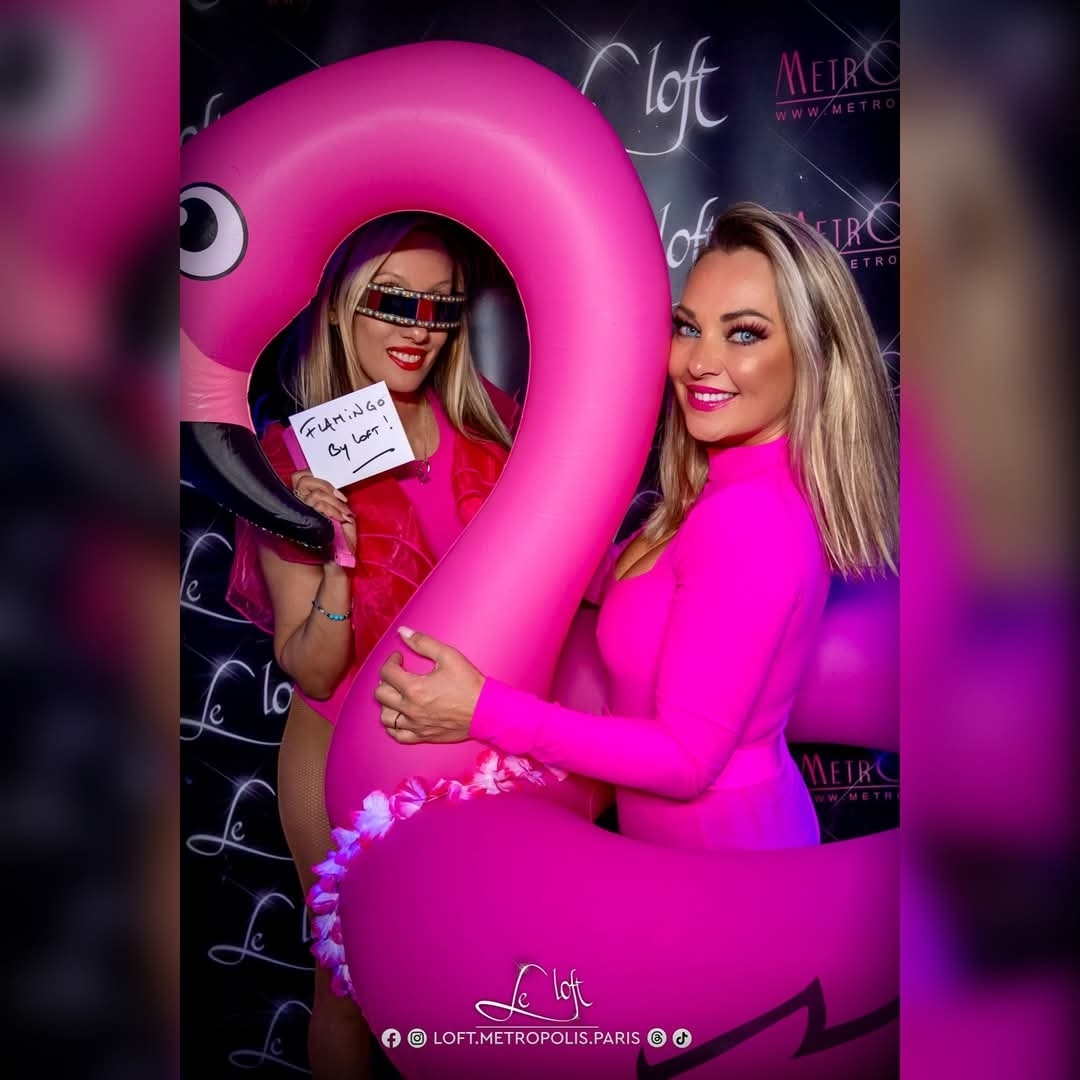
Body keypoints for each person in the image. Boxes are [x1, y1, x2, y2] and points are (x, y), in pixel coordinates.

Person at [374, 201, 899, 852]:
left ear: (812, 355)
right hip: (675, 852)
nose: (698, 362)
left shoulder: (750, 520)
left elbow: (685, 760)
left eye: (744, 334)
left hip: (729, 861)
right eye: (688, 327)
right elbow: (616, 583)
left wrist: (483, 710)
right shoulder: (716, 491)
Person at [225, 212, 517, 1079]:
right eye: (393, 299)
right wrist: (335, 558)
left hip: (470, 749)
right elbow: (313, 666)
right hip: (338, 748)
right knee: (350, 986)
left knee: (481, 970)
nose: (417, 328)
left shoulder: (499, 432)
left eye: (441, 305)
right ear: (341, 305)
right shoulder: (293, 460)